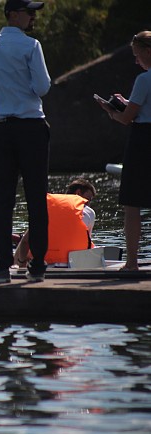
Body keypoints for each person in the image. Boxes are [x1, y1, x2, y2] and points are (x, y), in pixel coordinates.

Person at [0, 0, 51, 283]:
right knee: (36, 198)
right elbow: (42, 87)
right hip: (31, 126)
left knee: (2, 200)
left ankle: (2, 269)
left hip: (1, 129)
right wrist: (23, 89)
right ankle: (38, 266)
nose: (33, 17)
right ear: (13, 15)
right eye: (29, 12)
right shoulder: (31, 46)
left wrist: (3, 91)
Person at [96, 31, 151, 271]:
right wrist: (130, 103)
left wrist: (110, 110)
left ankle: (131, 263)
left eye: (137, 55)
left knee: (132, 203)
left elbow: (128, 118)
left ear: (148, 52)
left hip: (144, 139)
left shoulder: (144, 79)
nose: (136, 61)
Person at [14, 178, 97, 267]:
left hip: (44, 263)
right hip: (73, 264)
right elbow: (86, 246)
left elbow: (25, 242)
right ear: (78, 193)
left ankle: (15, 264)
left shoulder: (47, 207)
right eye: (88, 199)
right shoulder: (89, 212)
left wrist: (21, 263)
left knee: (24, 240)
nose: (88, 204)